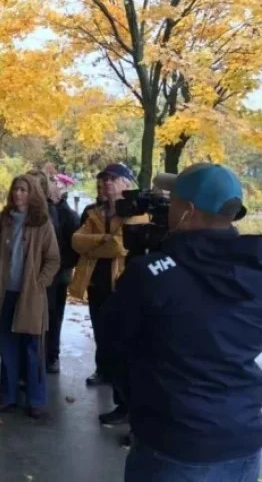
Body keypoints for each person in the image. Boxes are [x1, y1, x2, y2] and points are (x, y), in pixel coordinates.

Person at [99, 164, 262, 482]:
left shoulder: (150, 275)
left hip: (173, 444)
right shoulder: (253, 269)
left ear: (187, 211)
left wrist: (142, 402)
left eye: (171, 200)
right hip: (244, 440)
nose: (165, 206)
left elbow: (111, 351)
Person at [69, 163, 148, 425]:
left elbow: (121, 247)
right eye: (102, 180)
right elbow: (76, 242)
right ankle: (120, 402)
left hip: (123, 289)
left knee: (124, 348)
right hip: (96, 287)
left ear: (127, 183)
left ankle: (130, 407)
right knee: (106, 344)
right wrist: (104, 242)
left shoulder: (137, 214)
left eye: (112, 179)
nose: (105, 184)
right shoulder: (91, 212)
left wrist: (97, 244)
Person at [0, 175, 60, 419]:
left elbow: (53, 259)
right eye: (15, 189)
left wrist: (39, 282)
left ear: (33, 193)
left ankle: (36, 399)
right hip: (4, 293)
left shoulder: (42, 223)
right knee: (7, 347)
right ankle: (8, 395)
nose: (18, 194)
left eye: (24, 190)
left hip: (31, 297)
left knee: (32, 349)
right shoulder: (1, 219)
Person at [45, 173, 81, 374]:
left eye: (56, 184)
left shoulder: (69, 215)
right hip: (47, 273)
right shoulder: (43, 210)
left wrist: (58, 266)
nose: (53, 187)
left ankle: (53, 355)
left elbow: (73, 248)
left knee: (55, 315)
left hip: (59, 274)